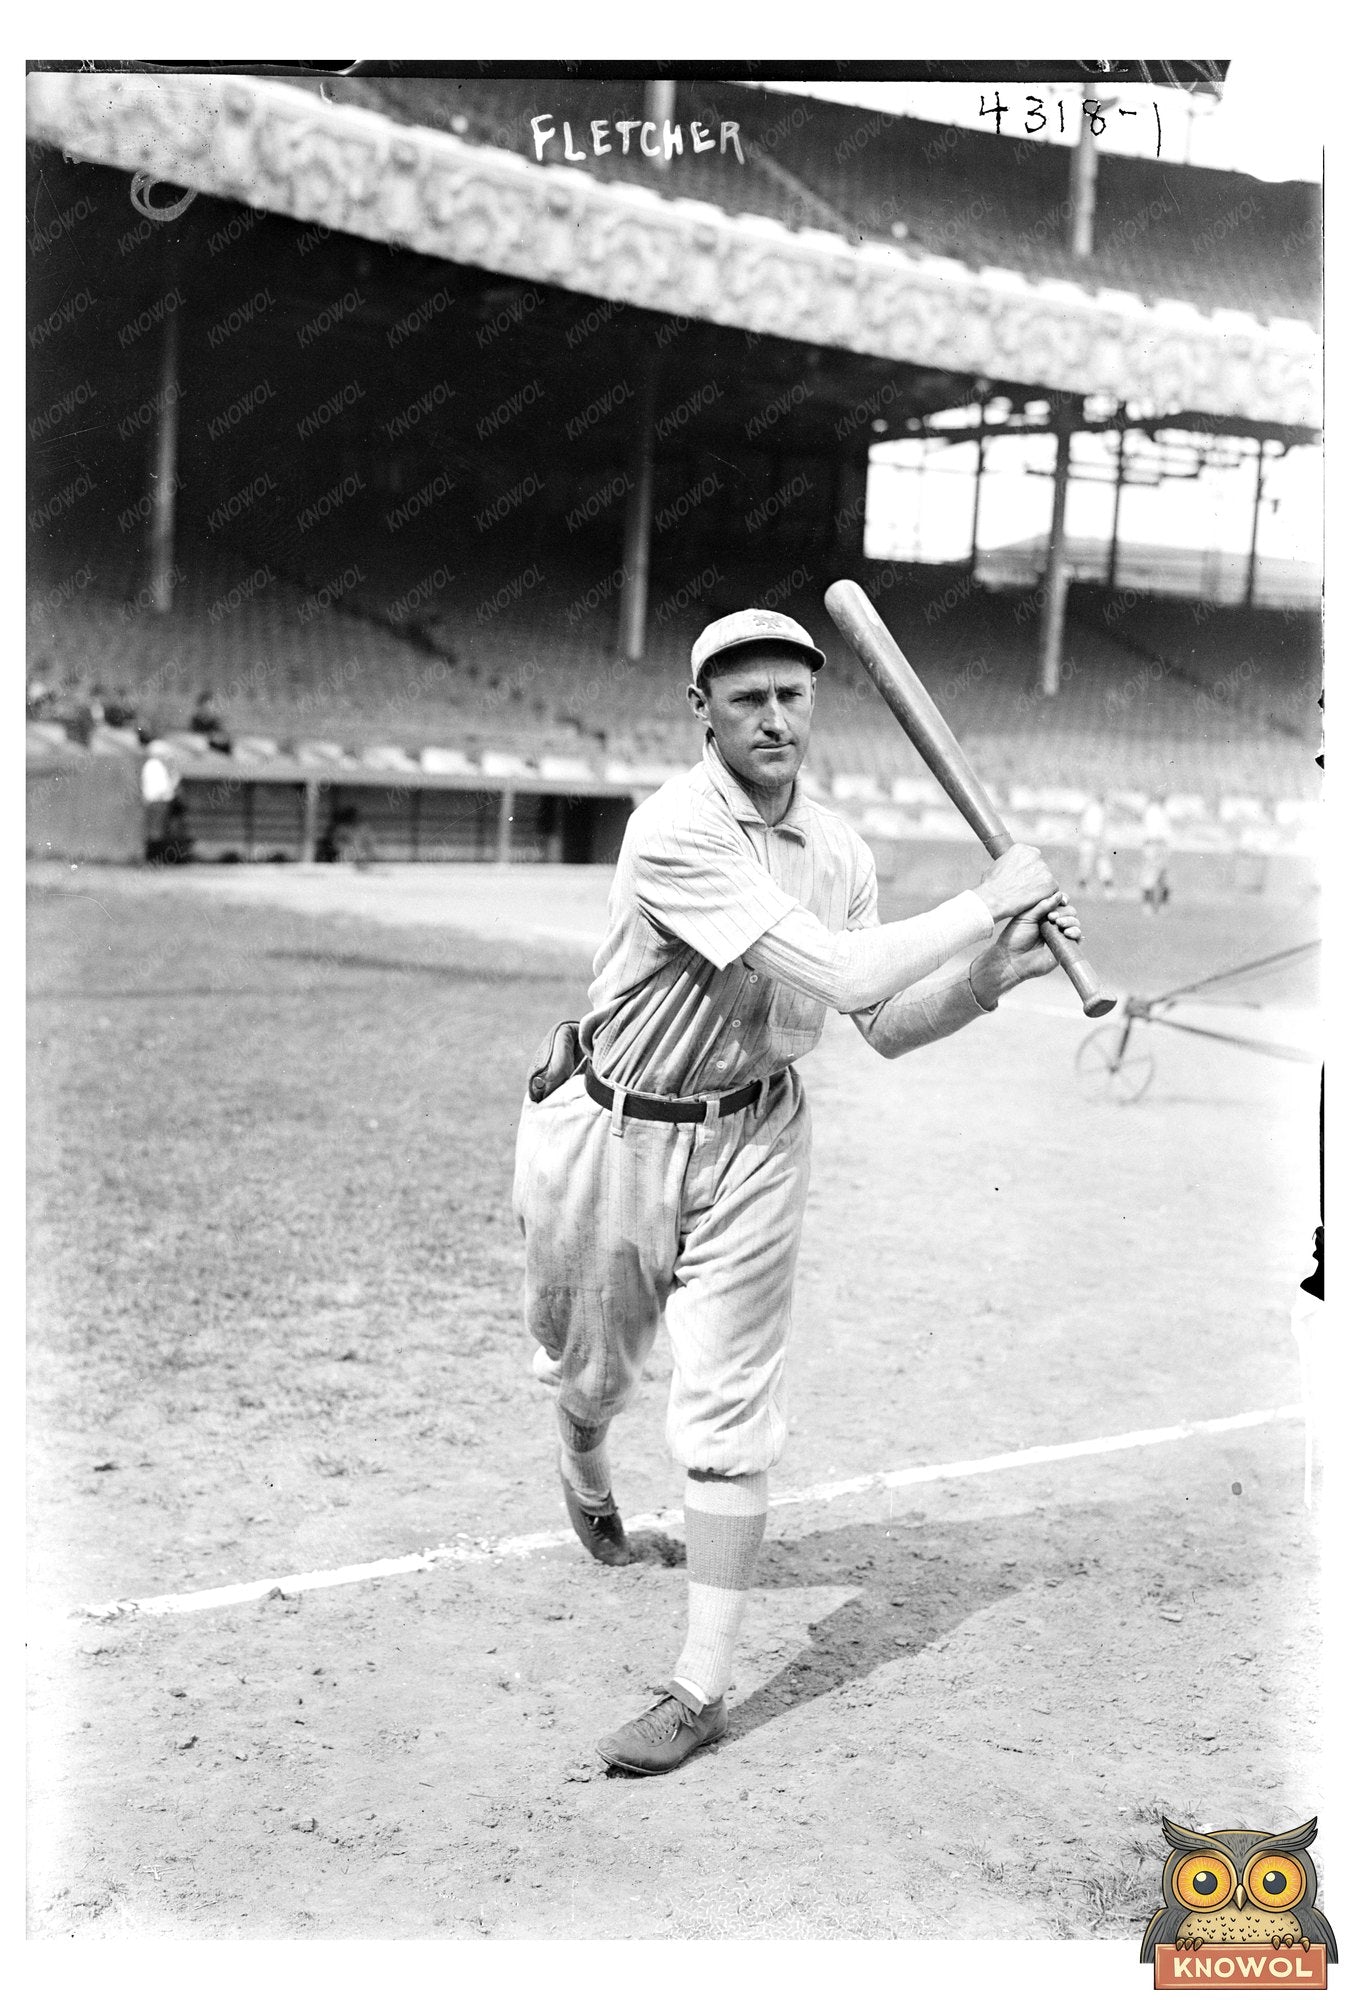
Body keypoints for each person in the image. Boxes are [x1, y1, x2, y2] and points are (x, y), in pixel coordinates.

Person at [512, 607, 1081, 1777]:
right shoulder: (673, 831)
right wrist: (987, 896)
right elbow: (837, 966)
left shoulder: (841, 850)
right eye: (748, 697)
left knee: (727, 1415)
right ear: (702, 712)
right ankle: (583, 1464)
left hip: (758, 1135)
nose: (775, 716)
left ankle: (698, 1687)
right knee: (589, 1370)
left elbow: (879, 1021)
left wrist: (991, 972)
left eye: (794, 695)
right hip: (614, 1129)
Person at [1075, 793, 1115, 897]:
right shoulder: (1093, 809)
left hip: (1097, 841)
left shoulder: (1101, 809)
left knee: (1103, 865)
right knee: (1086, 865)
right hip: (1090, 841)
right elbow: (1088, 828)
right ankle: (1082, 889)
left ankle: (1108, 890)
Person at [1140, 794, 1172, 914]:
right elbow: (1153, 833)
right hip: (1154, 845)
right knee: (1151, 874)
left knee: (1162, 876)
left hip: (1161, 845)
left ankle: (1161, 905)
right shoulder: (1153, 811)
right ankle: (1148, 905)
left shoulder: (1162, 810)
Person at [190, 687, 232, 755]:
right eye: (206, 704)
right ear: (200, 706)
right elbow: (194, 736)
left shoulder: (215, 721)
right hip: (201, 746)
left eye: (210, 704)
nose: (208, 707)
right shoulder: (196, 720)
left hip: (214, 749)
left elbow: (222, 736)